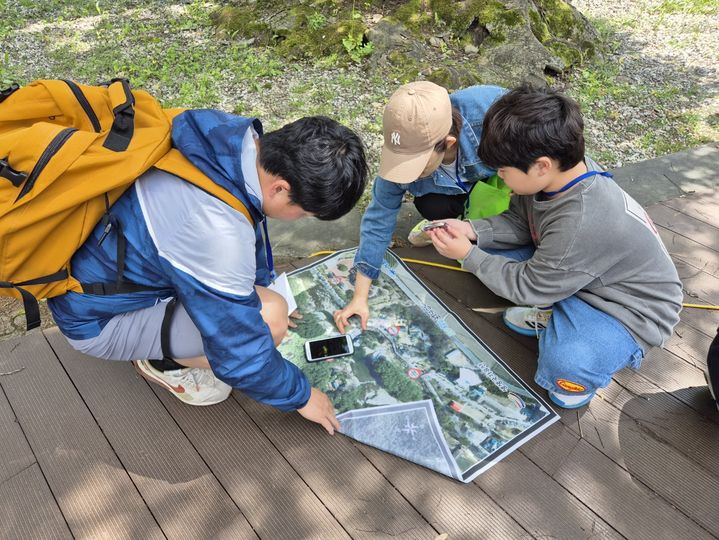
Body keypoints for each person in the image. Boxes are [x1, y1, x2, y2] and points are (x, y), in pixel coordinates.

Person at [47, 111, 368, 434]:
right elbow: (239, 352)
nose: (298, 220)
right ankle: (164, 363)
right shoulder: (216, 232)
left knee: (269, 306)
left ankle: (167, 340)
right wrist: (302, 396)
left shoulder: (229, 136)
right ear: (281, 188)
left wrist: (261, 285)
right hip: (98, 322)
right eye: (303, 213)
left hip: (97, 270)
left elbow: (246, 221)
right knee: (269, 321)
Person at [426, 85, 683, 409]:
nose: (500, 178)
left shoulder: (582, 219)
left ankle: (576, 351)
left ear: (542, 165)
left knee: (565, 366)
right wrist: (472, 230)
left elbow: (531, 285)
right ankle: (557, 310)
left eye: (504, 171)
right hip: (578, 274)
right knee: (496, 259)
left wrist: (468, 255)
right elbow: (522, 224)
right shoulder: (561, 174)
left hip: (628, 310)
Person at [334, 81, 507, 333]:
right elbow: (379, 216)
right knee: (431, 204)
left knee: (505, 260)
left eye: (415, 164)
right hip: (456, 193)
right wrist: (360, 296)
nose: (407, 173)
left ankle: (479, 223)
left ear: (448, 143)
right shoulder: (404, 142)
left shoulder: (491, 113)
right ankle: (456, 220)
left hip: (503, 185)